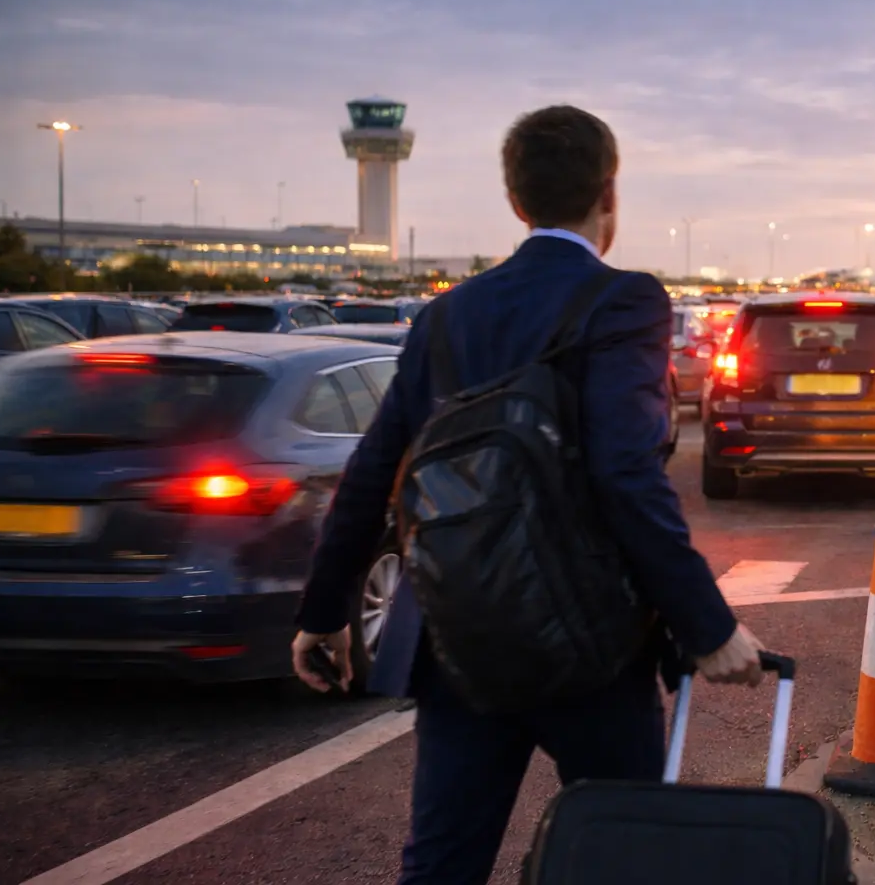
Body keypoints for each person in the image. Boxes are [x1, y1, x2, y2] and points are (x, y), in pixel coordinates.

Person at [291, 104, 764, 884]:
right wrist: (706, 626)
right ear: (609, 193)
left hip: (458, 637)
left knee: (442, 863)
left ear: (515, 201)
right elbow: (625, 473)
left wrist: (321, 614)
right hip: (590, 647)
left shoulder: (445, 316)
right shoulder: (624, 301)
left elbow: (375, 470)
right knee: (625, 854)